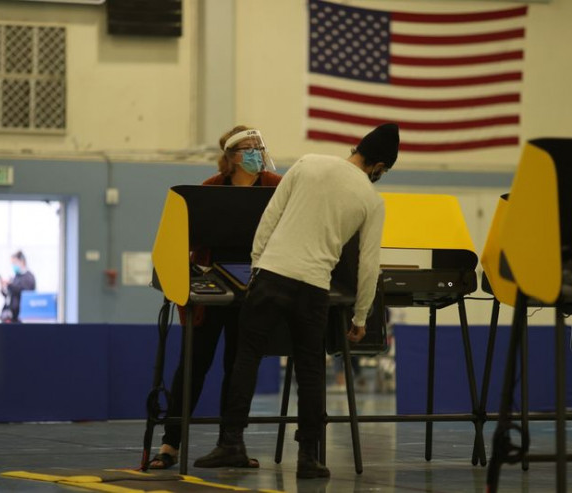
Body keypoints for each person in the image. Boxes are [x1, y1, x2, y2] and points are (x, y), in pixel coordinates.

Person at [194, 123, 400, 479]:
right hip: (314, 287)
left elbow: (269, 220)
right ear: (379, 167)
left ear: (357, 148)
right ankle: (308, 456)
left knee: (246, 359)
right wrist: (360, 317)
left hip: (271, 275)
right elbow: (368, 265)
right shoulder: (372, 200)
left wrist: (257, 268)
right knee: (310, 370)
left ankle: (231, 443)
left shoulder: (307, 163)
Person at [148, 125, 282, 470]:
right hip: (210, 291)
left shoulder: (275, 186)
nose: (256, 153)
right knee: (193, 365)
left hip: (254, 291)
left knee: (239, 368)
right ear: (232, 156)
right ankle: (170, 444)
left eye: (258, 147)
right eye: (248, 148)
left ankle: (231, 443)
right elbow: (189, 237)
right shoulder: (209, 188)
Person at [0, 250, 36, 323]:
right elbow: (9, 295)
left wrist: (10, 284)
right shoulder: (16, 277)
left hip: (22, 317)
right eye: (12, 263)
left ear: (22, 262)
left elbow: (24, 291)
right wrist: (3, 288)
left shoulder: (29, 277)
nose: (13, 266)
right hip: (11, 316)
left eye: (15, 263)